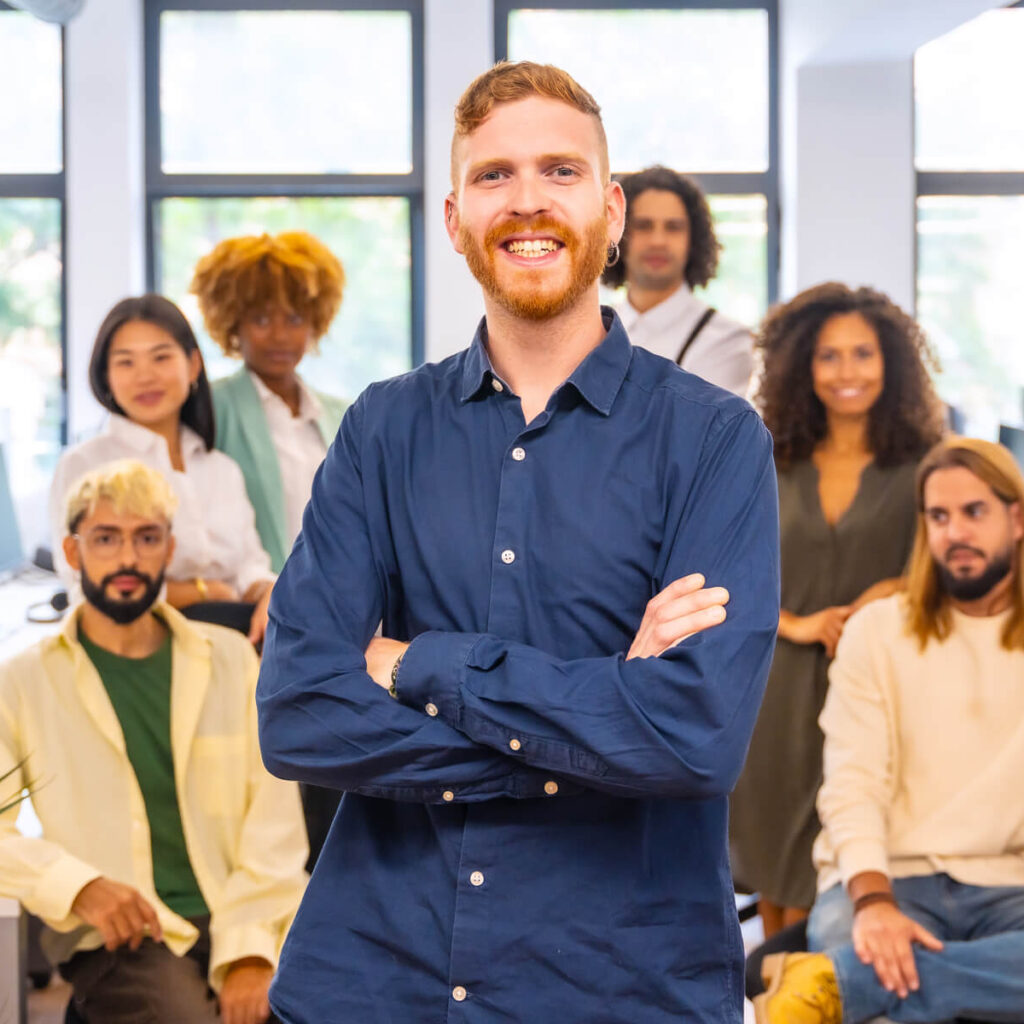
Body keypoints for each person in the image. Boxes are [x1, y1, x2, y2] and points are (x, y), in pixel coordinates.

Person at [257, 60, 780, 1023]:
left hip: (620, 986)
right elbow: (298, 712)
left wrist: (419, 665)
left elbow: (694, 738)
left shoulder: (715, 439)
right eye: (493, 175)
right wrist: (597, 731)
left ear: (611, 213)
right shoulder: (381, 429)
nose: (527, 201)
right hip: (374, 980)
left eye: (561, 171)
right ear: (455, 219)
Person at [1, 459, 307, 1023]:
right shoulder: (21, 681)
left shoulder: (230, 659)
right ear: (72, 552)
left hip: (246, 912)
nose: (127, 558)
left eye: (146, 538)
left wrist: (250, 953)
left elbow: (275, 822)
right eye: (105, 538)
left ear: (169, 549)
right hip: (122, 935)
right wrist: (78, 885)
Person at [754, 436, 1024, 1024]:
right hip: (883, 878)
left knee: (874, 984)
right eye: (938, 516)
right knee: (870, 950)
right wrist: (874, 900)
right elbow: (852, 786)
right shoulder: (877, 632)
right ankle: (876, 981)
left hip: (1009, 887)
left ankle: (835, 985)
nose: (955, 533)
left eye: (974, 511)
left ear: (1017, 517)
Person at [730, 283, 945, 938]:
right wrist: (798, 623)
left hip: (877, 679)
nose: (847, 371)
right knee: (771, 842)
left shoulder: (924, 465)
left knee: (842, 836)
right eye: (829, 355)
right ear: (803, 365)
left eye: (863, 353)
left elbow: (950, 563)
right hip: (775, 677)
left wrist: (894, 589)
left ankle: (818, 976)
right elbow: (724, 567)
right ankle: (778, 982)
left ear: (892, 363)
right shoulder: (766, 457)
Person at [49, 295, 277, 644]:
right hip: (135, 649)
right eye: (126, 362)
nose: (145, 376)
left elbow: (250, 567)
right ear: (106, 376)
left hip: (237, 646)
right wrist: (204, 591)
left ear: (193, 365)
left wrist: (269, 591)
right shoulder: (85, 466)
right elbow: (84, 588)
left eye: (161, 357)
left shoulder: (221, 468)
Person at [190, 231, 348, 574]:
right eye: (261, 319)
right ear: (234, 323)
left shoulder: (342, 415)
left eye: (295, 319)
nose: (279, 335)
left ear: (315, 323)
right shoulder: (211, 407)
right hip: (250, 597)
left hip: (336, 595)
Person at [602, 164, 754, 396]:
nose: (658, 241)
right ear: (617, 232)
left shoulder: (727, 341)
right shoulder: (594, 330)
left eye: (673, 227)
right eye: (643, 226)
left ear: (694, 240)